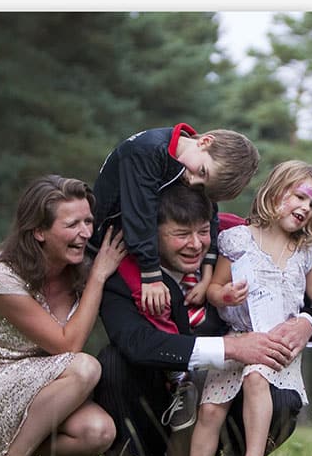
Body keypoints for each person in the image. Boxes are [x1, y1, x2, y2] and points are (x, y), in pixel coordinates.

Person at [93, 183, 312, 456]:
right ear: (153, 234)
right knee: (111, 363)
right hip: (158, 400)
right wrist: (230, 349)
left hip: (227, 404)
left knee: (278, 392)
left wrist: (307, 321)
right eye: (181, 234)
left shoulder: (236, 249)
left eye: (203, 232)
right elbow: (135, 343)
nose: (195, 244)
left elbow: (295, 290)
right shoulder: (125, 272)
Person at [187, 160, 312, 456]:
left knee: (257, 379)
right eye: (299, 197)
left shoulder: (305, 249)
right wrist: (224, 295)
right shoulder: (236, 240)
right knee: (211, 409)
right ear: (274, 192)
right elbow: (213, 288)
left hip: (277, 343)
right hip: (238, 338)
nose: (305, 208)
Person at [0, 175, 127, 456]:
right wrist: (99, 277)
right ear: (39, 231)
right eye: (72, 224)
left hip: (50, 386)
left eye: (88, 221)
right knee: (85, 366)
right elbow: (66, 344)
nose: (85, 233)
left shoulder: (79, 274)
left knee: (99, 432)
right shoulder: (0, 277)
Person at [90, 122, 260, 431]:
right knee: (159, 296)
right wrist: (152, 275)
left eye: (201, 183)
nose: (192, 180)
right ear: (205, 142)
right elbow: (139, 214)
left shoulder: (187, 163)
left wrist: (208, 272)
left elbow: (210, 213)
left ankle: (185, 382)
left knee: (234, 230)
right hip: (111, 242)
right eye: (202, 173)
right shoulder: (146, 151)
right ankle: (178, 375)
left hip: (140, 242)